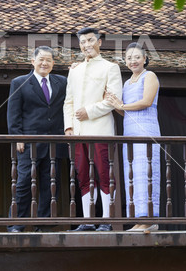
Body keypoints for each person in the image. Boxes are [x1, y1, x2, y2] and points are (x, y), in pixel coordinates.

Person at [64, 27, 122, 232]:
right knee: (83, 175)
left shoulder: (110, 67)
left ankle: (106, 219)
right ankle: (88, 220)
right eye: (82, 42)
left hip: (100, 129)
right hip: (78, 131)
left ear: (100, 42)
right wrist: (68, 126)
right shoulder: (74, 70)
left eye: (90, 40)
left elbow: (112, 100)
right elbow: (68, 101)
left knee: (103, 173)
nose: (86, 45)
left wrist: (89, 111)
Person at [7, 46, 67, 232]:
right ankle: (16, 224)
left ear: (53, 63)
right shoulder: (20, 82)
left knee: (50, 184)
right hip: (29, 143)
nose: (44, 63)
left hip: (54, 141)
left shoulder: (62, 82)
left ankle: (44, 223)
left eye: (48, 60)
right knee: (24, 182)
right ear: (32, 61)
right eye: (41, 59)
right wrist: (18, 137)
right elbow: (13, 113)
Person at [106, 42, 160, 233]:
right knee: (133, 176)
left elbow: (146, 102)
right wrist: (116, 105)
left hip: (146, 130)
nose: (133, 61)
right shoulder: (127, 82)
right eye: (129, 58)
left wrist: (121, 106)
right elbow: (125, 112)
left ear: (145, 59)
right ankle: (138, 219)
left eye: (137, 57)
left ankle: (150, 219)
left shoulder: (150, 76)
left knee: (147, 173)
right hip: (130, 131)